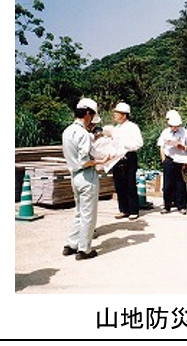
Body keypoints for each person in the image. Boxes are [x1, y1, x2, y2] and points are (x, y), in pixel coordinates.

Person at [62, 98, 109, 261]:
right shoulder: (84, 134)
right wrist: (101, 161)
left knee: (79, 211)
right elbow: (84, 160)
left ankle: (71, 244)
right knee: (88, 214)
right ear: (88, 114)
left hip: (74, 175)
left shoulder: (67, 131)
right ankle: (85, 249)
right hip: (86, 175)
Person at [111, 102, 144, 221]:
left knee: (130, 184)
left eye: (117, 113)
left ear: (124, 115)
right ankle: (123, 209)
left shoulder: (132, 127)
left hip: (129, 157)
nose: (114, 114)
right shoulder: (115, 129)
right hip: (117, 158)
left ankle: (133, 210)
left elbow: (139, 143)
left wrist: (124, 145)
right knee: (119, 184)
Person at [157, 110, 187, 215]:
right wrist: (163, 159)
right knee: (168, 183)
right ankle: (167, 205)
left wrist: (184, 147)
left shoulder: (185, 132)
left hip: (181, 159)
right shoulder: (165, 132)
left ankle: (181, 205)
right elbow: (161, 147)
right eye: (173, 126)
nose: (175, 128)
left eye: (177, 126)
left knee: (181, 183)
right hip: (169, 159)